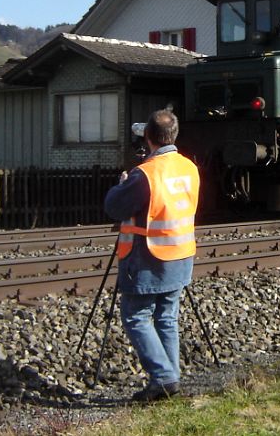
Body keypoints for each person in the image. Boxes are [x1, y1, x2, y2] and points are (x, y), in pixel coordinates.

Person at [103, 109, 199, 402]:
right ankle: (169, 380)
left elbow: (114, 207)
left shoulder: (144, 175)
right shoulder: (188, 167)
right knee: (167, 317)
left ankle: (164, 377)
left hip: (148, 258)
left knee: (136, 317)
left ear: (148, 137)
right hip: (181, 255)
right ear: (174, 134)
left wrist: (123, 183)